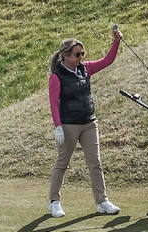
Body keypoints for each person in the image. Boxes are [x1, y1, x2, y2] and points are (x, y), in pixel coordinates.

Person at [48, 28, 122, 218]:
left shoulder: (85, 68)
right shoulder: (57, 76)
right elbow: (54, 103)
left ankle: (102, 202)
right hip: (69, 125)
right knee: (62, 163)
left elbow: (107, 61)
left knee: (95, 163)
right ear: (65, 55)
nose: (80, 57)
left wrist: (116, 42)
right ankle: (54, 202)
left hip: (89, 123)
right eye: (76, 54)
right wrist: (58, 126)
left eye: (82, 54)